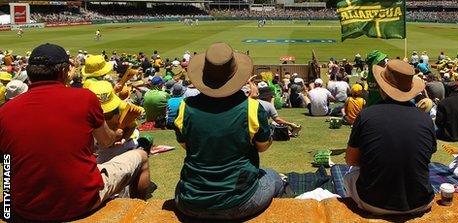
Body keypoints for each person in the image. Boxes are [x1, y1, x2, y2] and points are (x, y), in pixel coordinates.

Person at [0, 43, 151, 221]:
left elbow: (7, 162)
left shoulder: (5, 111)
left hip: (24, 207)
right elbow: (106, 142)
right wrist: (118, 133)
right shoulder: (85, 98)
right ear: (64, 71)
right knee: (141, 155)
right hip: (81, 201)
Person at [174, 42, 284, 220]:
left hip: (190, 201)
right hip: (238, 202)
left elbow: (187, 145)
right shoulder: (252, 108)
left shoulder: (185, 107)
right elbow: (263, 147)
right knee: (273, 176)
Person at [344, 59, 435, 215]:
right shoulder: (425, 118)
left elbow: (351, 160)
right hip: (421, 202)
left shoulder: (367, 115)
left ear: (382, 88)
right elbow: (425, 155)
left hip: (373, 203)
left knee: (349, 176)